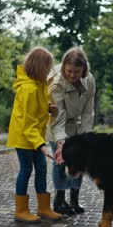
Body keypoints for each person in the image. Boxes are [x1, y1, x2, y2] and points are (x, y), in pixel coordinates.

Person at [7, 47, 62, 223]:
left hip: (34, 136)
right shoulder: (29, 89)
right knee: (26, 169)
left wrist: (47, 107)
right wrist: (42, 145)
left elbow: (36, 108)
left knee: (42, 169)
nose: (49, 71)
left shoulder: (39, 86)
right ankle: (21, 210)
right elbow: (27, 123)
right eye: (47, 67)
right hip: (25, 138)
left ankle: (44, 208)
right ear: (40, 67)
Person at [47, 47, 96, 215]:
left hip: (76, 125)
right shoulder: (56, 83)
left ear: (84, 69)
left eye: (77, 71)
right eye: (69, 71)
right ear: (63, 68)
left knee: (79, 160)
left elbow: (88, 112)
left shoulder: (89, 80)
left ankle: (74, 199)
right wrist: (61, 142)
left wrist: (85, 138)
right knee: (60, 161)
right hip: (56, 124)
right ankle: (59, 200)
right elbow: (58, 117)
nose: (73, 75)